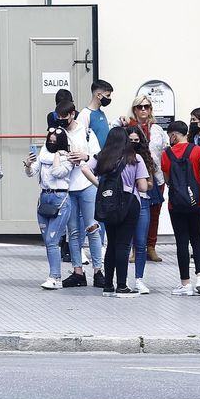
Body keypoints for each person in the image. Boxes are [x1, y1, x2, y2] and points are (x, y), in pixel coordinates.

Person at [94, 126, 149, 297]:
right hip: (129, 202)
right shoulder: (135, 158)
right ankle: (122, 285)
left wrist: (99, 185)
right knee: (124, 245)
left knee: (111, 243)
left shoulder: (103, 157)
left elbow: (85, 168)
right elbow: (143, 187)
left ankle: (108, 286)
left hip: (109, 202)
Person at [55, 100, 104, 288]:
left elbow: (98, 156)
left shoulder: (87, 132)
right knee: (73, 232)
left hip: (86, 184)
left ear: (72, 114)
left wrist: (84, 157)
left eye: (64, 117)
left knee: (93, 228)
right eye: (58, 118)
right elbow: (50, 154)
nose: (61, 121)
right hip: (66, 186)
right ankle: (78, 272)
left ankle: (98, 271)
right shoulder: (57, 134)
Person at [160, 120, 200, 295]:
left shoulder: (166, 154)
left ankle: (185, 284)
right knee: (197, 239)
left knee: (182, 241)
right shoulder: (197, 150)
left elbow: (167, 180)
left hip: (177, 204)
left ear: (174, 135)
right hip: (198, 201)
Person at [28, 125, 77, 290]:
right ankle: (53, 275)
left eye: (55, 142)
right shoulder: (42, 155)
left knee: (52, 239)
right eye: (50, 141)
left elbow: (57, 172)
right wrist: (28, 164)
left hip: (60, 198)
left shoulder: (67, 158)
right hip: (44, 197)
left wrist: (57, 155)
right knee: (48, 241)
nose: (51, 143)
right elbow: (31, 173)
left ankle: (55, 277)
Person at [125, 97, 169, 266]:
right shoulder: (128, 127)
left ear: (151, 109)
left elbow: (165, 151)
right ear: (134, 109)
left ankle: (151, 246)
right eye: (139, 107)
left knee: (155, 213)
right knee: (135, 212)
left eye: (146, 106)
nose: (143, 109)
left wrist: (167, 175)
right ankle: (136, 248)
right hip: (134, 175)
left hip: (156, 175)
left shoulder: (158, 129)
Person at [121, 121, 159, 293]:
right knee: (124, 243)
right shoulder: (119, 157)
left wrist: (141, 182)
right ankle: (122, 279)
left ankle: (139, 279)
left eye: (137, 140)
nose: (134, 143)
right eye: (131, 140)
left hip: (142, 201)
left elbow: (149, 183)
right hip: (125, 201)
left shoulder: (144, 158)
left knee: (141, 243)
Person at [77, 80, 115, 155]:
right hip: (93, 159)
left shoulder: (102, 113)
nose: (109, 98)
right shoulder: (85, 114)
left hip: (105, 157)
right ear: (99, 95)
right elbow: (80, 140)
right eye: (107, 95)